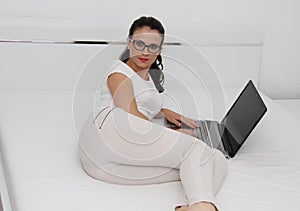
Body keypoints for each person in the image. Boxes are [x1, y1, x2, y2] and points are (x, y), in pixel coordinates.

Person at [79, 16, 228, 211]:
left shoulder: (146, 77)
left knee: (214, 159)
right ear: (129, 42)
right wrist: (174, 135)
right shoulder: (119, 73)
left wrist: (163, 112)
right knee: (195, 149)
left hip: (106, 165)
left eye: (153, 46)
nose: (145, 52)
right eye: (139, 44)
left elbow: (140, 102)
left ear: (160, 49)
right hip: (106, 131)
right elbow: (129, 114)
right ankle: (203, 208)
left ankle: (188, 207)